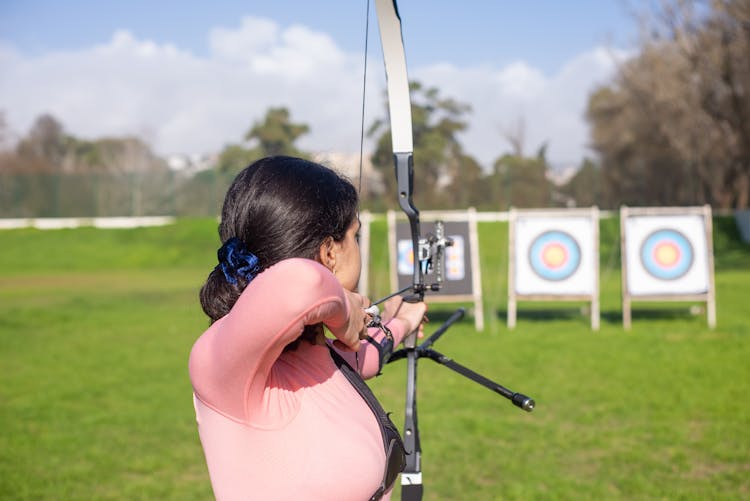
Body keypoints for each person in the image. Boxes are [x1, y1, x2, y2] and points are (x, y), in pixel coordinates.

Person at [189, 156, 427, 501]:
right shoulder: (221, 368)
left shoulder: (316, 355)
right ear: (329, 252)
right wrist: (346, 314)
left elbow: (359, 361)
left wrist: (401, 321)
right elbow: (298, 283)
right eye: (354, 235)